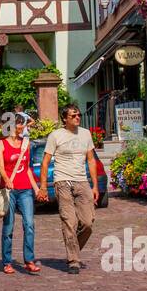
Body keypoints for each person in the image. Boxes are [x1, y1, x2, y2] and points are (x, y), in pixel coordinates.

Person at [37, 105, 100, 274]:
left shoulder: (86, 134)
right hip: (62, 181)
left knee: (87, 222)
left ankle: (74, 248)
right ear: (65, 119)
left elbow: (91, 160)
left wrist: (94, 185)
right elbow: (45, 162)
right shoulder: (55, 136)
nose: (77, 117)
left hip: (82, 181)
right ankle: (73, 260)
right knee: (69, 221)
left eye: (78, 115)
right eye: (73, 115)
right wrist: (43, 187)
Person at [0, 125, 40, 275]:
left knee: (29, 224)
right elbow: (0, 166)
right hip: (9, 191)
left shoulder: (25, 143)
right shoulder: (0, 143)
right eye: (18, 125)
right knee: (8, 226)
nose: (21, 129)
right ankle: (7, 262)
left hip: (25, 190)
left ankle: (29, 261)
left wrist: (36, 189)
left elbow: (27, 169)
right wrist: (6, 179)